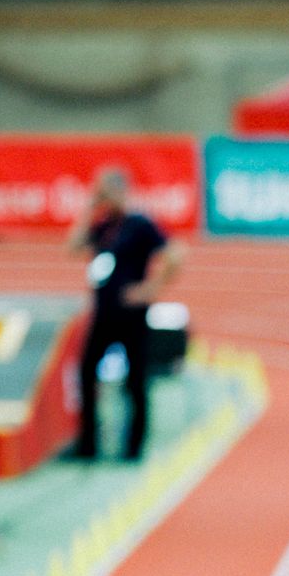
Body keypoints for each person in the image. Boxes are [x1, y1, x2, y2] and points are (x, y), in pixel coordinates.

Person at [65, 168, 182, 461]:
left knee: (135, 381)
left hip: (132, 315)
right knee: (86, 374)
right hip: (103, 315)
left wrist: (150, 289)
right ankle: (88, 444)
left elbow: (175, 254)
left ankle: (133, 447)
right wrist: (89, 208)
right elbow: (72, 246)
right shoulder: (103, 224)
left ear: (120, 190)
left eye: (105, 191)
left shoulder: (140, 223)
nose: (102, 197)